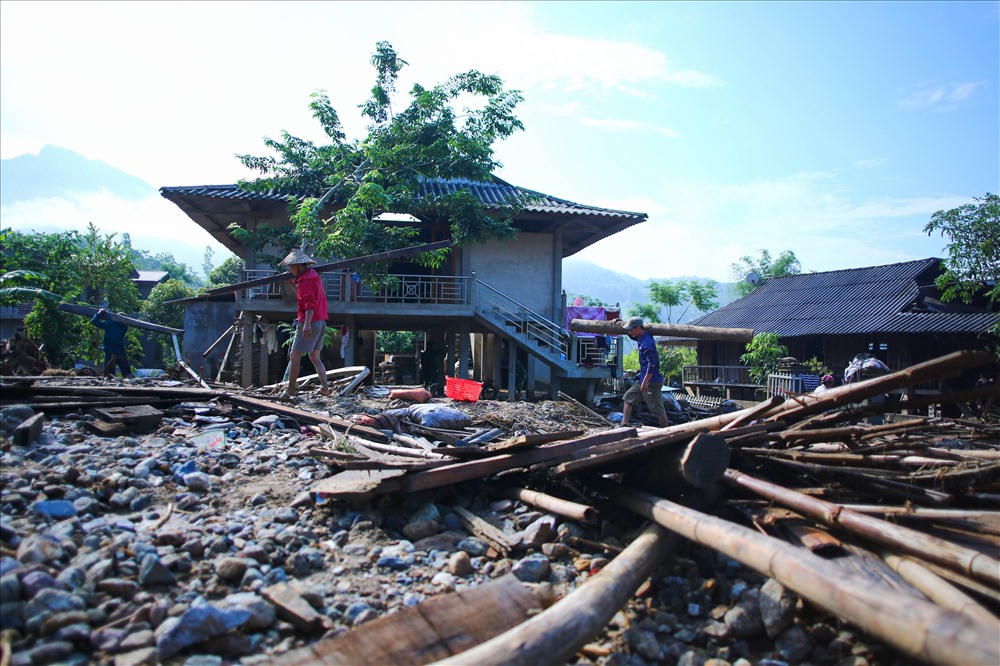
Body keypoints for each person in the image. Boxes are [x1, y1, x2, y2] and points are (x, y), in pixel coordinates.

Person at [280, 249, 331, 398]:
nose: (290, 270)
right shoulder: (312, 277)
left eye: (291, 267)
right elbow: (302, 297)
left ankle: (290, 390)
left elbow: (309, 303)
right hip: (321, 322)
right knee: (314, 356)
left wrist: (307, 323)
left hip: (311, 321)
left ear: (298, 266)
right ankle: (325, 388)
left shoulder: (305, 280)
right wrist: (291, 284)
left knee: (294, 355)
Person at [621, 317, 669, 428]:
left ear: (638, 328)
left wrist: (645, 382)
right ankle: (624, 424)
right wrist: (619, 321)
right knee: (628, 397)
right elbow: (631, 336)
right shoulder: (642, 337)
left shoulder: (647, 343)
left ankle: (667, 431)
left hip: (651, 381)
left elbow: (652, 365)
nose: (629, 332)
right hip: (644, 379)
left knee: (658, 409)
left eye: (631, 329)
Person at [91, 308, 133, 378]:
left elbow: (94, 321)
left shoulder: (110, 324)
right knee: (127, 373)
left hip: (109, 351)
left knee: (109, 374)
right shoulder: (125, 327)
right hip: (120, 351)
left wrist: (99, 313)